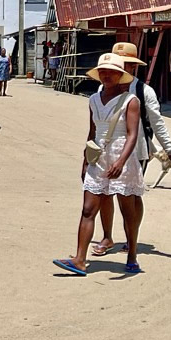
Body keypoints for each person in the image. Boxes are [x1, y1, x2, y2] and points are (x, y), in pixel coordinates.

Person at [53, 53, 145, 276]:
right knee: (87, 209)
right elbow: (92, 131)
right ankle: (79, 259)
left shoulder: (130, 101)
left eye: (111, 72)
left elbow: (133, 134)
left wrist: (121, 161)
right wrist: (85, 160)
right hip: (99, 156)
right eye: (102, 71)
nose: (106, 75)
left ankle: (132, 254)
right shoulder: (94, 99)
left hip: (122, 155)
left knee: (127, 209)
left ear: (120, 75)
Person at [91, 41, 171, 258]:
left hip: (137, 150)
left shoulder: (144, 91)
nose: (119, 68)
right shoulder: (102, 88)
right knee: (104, 194)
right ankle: (107, 236)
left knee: (130, 196)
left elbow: (157, 122)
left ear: (133, 67)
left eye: (125, 64)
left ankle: (131, 237)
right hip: (106, 151)